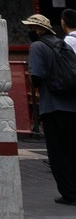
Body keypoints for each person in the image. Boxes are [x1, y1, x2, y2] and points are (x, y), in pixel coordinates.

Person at [24, 12, 76, 204]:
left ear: (38, 30)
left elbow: (36, 76)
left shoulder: (38, 46)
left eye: (31, 28)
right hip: (72, 104)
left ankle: (69, 193)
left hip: (53, 105)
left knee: (58, 152)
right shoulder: (62, 43)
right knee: (72, 149)